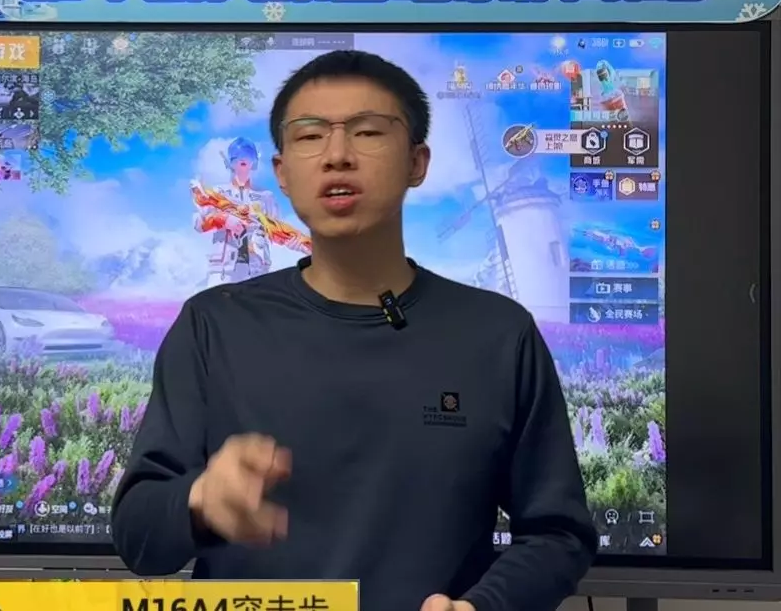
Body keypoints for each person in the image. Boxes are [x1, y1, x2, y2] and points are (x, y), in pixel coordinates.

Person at [111, 50, 597, 611]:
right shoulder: (212, 325)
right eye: (310, 136)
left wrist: (484, 606)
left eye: (367, 132)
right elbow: (139, 536)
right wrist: (199, 499)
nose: (337, 155)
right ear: (282, 173)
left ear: (417, 162)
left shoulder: (498, 334)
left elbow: (558, 533)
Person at [192, 137, 289, 287]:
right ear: (230, 161)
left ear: (254, 161)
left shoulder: (266, 197)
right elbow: (199, 224)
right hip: (223, 271)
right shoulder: (217, 193)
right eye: (237, 155)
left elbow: (278, 233)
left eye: (248, 155)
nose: (243, 159)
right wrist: (223, 220)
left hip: (257, 271)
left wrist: (272, 231)